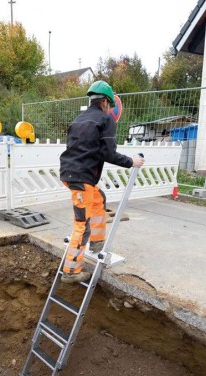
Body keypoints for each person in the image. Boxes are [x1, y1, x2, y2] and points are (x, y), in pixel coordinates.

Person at [59, 80, 145, 284]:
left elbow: (81, 148)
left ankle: (97, 244)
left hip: (71, 173)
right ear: (106, 102)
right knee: (82, 224)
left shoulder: (79, 119)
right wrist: (131, 162)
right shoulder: (105, 120)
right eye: (110, 105)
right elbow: (108, 153)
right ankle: (71, 271)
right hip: (81, 179)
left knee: (99, 199)